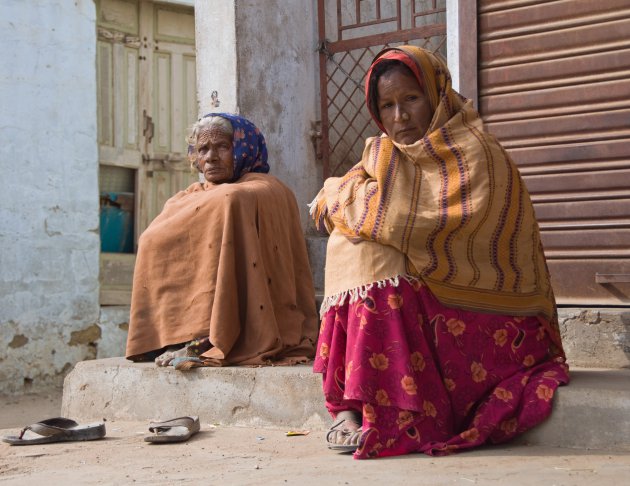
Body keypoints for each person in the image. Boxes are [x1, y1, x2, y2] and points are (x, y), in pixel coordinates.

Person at [310, 46, 569, 459]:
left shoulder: (477, 152)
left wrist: (358, 209)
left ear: (436, 94)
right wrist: (359, 211)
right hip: (426, 297)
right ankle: (349, 406)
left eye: (411, 99)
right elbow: (363, 207)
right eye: (387, 105)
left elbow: (401, 221)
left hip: (485, 313)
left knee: (380, 252)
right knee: (355, 246)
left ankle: (400, 411)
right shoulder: (382, 154)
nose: (400, 117)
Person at [126, 113, 318, 369]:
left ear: (244, 149)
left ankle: (209, 338)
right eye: (202, 149)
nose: (211, 158)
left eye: (222, 147)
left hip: (270, 312)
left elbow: (234, 197)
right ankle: (172, 335)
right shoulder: (193, 195)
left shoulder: (266, 187)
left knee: (230, 201)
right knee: (150, 237)